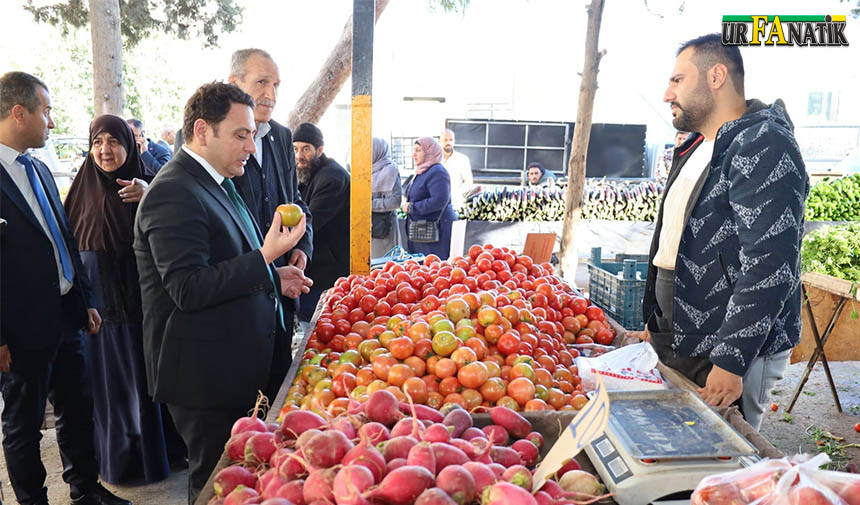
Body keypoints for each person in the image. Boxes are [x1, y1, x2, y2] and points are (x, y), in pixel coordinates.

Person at [134, 82, 312, 504]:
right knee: (216, 483)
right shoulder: (172, 192)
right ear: (202, 130)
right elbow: (187, 287)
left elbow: (228, 261)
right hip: (205, 376)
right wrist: (268, 255)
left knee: (241, 477)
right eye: (240, 134)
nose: (251, 146)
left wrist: (274, 277)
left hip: (235, 365)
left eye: (252, 134)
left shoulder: (217, 182)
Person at [628, 34, 809, 430]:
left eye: (677, 80)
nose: (666, 93)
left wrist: (731, 357)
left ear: (716, 76)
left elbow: (771, 264)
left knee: (728, 462)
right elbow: (674, 243)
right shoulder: (697, 146)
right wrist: (657, 321)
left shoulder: (764, 143)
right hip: (683, 336)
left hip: (729, 350)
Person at [0, 71, 131, 505]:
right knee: (23, 426)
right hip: (18, 331)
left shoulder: (37, 167)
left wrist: (84, 300)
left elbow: (64, 238)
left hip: (66, 316)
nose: (52, 123)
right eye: (47, 112)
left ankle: (85, 490)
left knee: (77, 410)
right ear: (19, 113)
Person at [176, 48, 313, 399]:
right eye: (262, 82)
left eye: (277, 84)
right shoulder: (198, 150)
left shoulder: (283, 137)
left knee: (277, 384)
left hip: (279, 284)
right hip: (235, 301)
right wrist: (264, 260)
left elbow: (294, 201)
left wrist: (300, 247)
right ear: (235, 83)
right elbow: (193, 278)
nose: (271, 93)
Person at [63, 114, 176, 484]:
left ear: (129, 145)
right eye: (98, 142)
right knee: (107, 387)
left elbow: (170, 233)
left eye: (113, 142)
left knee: (141, 382)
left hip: (138, 304)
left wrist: (150, 195)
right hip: (97, 307)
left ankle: (151, 460)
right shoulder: (80, 189)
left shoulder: (147, 186)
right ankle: (117, 463)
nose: (105, 150)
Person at [293, 122, 350, 322]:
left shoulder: (332, 177)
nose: (299, 155)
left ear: (319, 150)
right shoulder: (308, 173)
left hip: (328, 270)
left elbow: (310, 222)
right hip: (316, 264)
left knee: (316, 324)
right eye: (296, 149)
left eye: (306, 149)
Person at [402, 136, 456, 260]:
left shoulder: (437, 171)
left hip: (436, 234)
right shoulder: (422, 171)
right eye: (413, 150)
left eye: (418, 150)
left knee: (434, 269)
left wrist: (412, 207)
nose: (414, 155)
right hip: (423, 232)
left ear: (429, 152)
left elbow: (439, 200)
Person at [370, 137, 402, 258]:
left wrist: (369, 204)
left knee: (383, 265)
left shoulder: (391, 171)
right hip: (366, 226)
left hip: (383, 228)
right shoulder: (363, 171)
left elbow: (395, 201)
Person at [440, 128, 472, 210]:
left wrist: (456, 194)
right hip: (436, 206)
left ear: (454, 141)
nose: (448, 142)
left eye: (451, 140)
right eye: (445, 140)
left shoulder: (462, 159)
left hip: (457, 205)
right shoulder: (434, 160)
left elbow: (468, 182)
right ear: (440, 141)